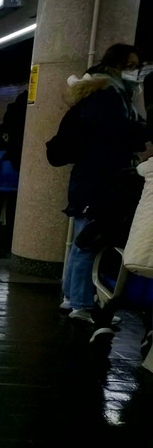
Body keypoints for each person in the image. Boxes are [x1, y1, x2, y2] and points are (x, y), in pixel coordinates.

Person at [59, 44, 147, 322]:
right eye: (130, 66)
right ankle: (81, 304)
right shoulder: (108, 95)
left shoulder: (106, 92)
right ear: (115, 65)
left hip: (91, 178)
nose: (134, 71)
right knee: (89, 242)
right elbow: (121, 133)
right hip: (98, 180)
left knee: (83, 241)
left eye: (137, 66)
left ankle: (72, 297)